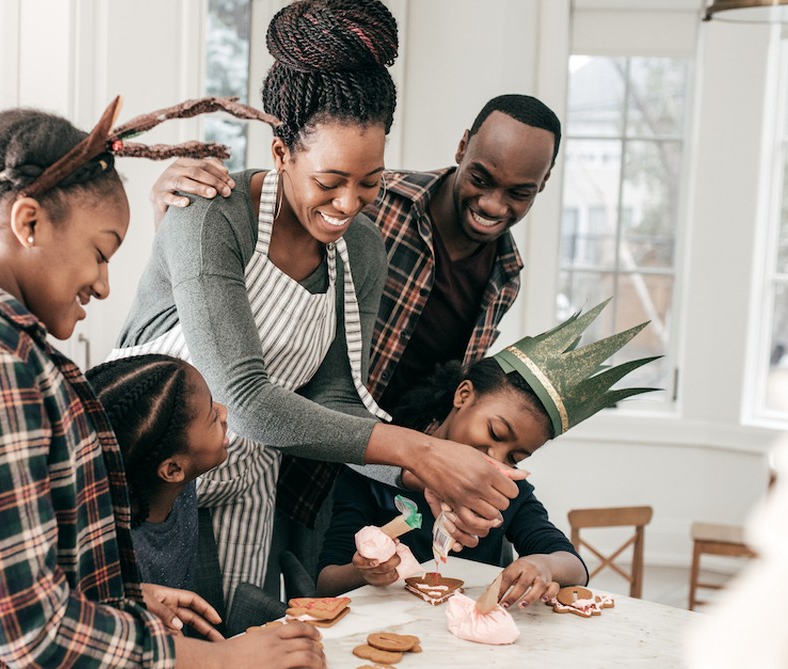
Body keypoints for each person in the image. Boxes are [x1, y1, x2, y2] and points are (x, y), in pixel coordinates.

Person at [0, 101, 325, 668]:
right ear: (28, 222)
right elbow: (33, 631)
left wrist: (123, 600)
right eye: (100, 253)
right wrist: (225, 662)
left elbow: (3, 568)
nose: (104, 286)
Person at [111, 0, 524, 610]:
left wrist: (422, 478)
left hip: (251, 477)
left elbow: (334, 396)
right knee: (163, 637)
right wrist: (423, 451)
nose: (350, 203)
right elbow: (247, 400)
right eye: (329, 181)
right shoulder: (209, 218)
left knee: (246, 627)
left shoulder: (361, 247)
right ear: (281, 152)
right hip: (147, 483)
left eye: (370, 181)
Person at [151, 94, 562, 550]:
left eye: (519, 193)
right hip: (297, 450)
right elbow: (299, 174)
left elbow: (343, 390)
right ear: (462, 148)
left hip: (384, 471)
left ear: (542, 185)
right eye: (482, 178)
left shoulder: (506, 276)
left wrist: (432, 467)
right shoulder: (378, 203)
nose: (492, 203)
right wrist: (178, 199)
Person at [317, 301, 657, 609]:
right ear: (463, 395)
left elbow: (573, 565)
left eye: (515, 458)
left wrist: (543, 565)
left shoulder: (504, 494)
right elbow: (326, 580)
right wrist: (366, 572)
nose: (495, 458)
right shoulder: (374, 474)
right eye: (495, 433)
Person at [87, 354, 229, 594]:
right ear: (173, 470)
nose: (224, 412)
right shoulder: (118, 555)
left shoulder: (181, 488)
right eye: (212, 417)